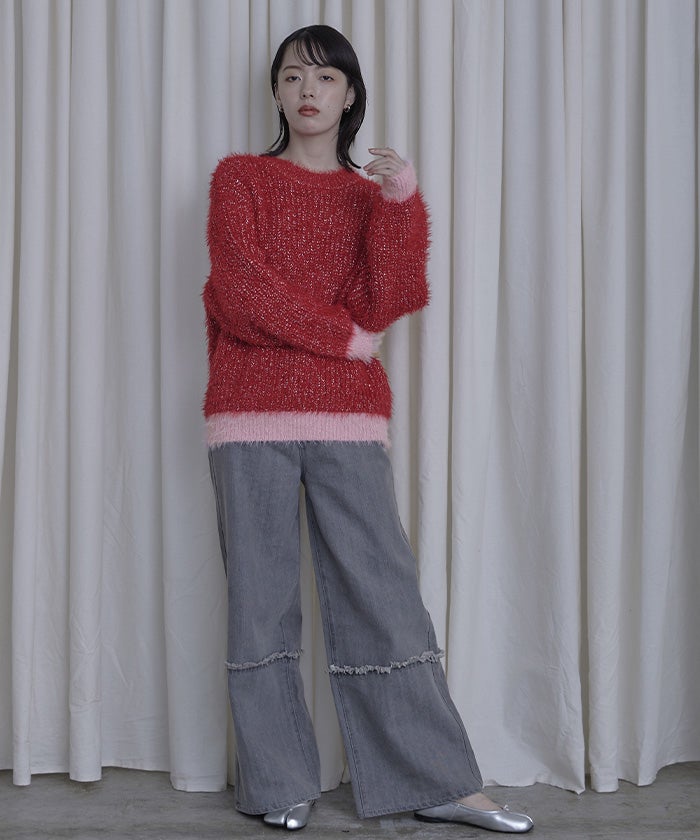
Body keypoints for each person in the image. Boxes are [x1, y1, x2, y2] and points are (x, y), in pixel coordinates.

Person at [203, 24, 534, 834]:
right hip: (247, 415)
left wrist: (400, 201)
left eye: (324, 78)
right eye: (292, 77)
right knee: (260, 603)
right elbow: (238, 294)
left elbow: (391, 297)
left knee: (382, 595)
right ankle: (277, 783)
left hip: (349, 418)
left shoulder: (366, 196)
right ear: (275, 93)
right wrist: (341, 339)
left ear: (350, 93)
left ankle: (436, 780)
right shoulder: (241, 178)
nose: (307, 91)